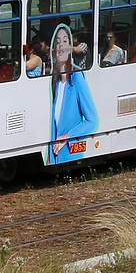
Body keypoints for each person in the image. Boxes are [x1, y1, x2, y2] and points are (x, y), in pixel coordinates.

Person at [47, 21, 98, 165]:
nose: (61, 46)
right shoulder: (54, 83)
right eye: (58, 43)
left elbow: (92, 121)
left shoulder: (76, 78)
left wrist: (67, 137)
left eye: (64, 41)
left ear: (70, 48)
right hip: (54, 158)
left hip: (70, 155)